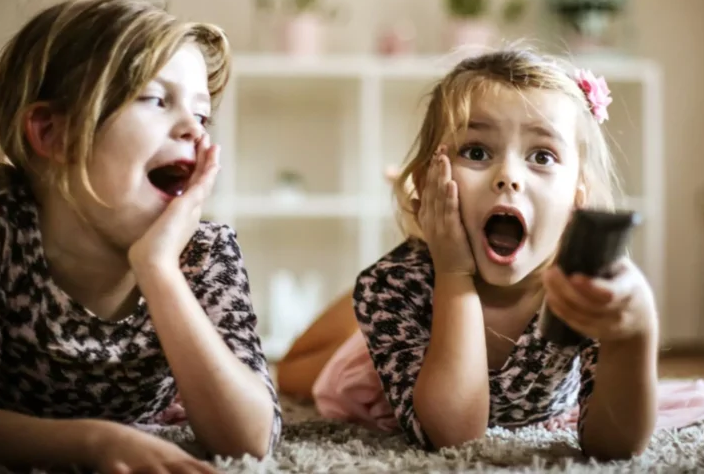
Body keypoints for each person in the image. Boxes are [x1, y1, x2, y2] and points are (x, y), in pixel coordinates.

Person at [279, 47, 659, 460]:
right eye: (477, 152)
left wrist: (634, 336)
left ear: (575, 201)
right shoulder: (392, 286)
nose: (509, 177)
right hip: (400, 352)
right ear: (429, 182)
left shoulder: (584, 285)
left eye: (542, 156)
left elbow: (615, 446)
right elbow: (454, 435)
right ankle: (362, 331)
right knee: (293, 371)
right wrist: (453, 273)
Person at [0, 0, 281, 473]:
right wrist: (95, 442)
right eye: (157, 100)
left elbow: (250, 440)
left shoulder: (204, 250)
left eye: (202, 114)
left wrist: (159, 267)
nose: (195, 129)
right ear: (50, 133)